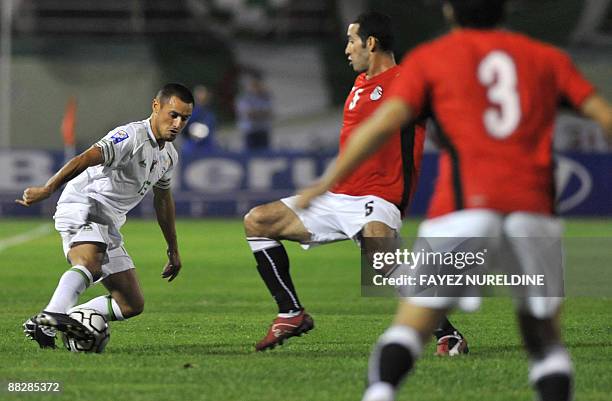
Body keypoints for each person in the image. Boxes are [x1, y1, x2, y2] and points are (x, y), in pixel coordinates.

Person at [296, 1, 612, 400]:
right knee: (545, 339)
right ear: (505, 11)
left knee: (411, 326)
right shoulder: (545, 58)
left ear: (449, 12)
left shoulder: (432, 59)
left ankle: (380, 392)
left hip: (462, 208)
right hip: (533, 208)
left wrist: (325, 183)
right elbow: (603, 114)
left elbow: (382, 125)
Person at [244, 12, 467, 354]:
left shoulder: (410, 81)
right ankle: (291, 312)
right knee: (258, 221)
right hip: (337, 198)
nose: (347, 49)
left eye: (351, 41)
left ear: (371, 43)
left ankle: (447, 334)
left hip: (379, 197)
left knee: (382, 258)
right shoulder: (361, 83)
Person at [17, 83, 193, 348]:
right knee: (91, 260)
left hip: (108, 223)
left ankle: (51, 324)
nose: (178, 123)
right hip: (83, 204)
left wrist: (173, 248)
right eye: (173, 114)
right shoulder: (130, 136)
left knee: (131, 303)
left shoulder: (169, 156)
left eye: (185, 118)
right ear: (156, 107)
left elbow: (163, 200)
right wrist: (49, 188)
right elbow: (87, 157)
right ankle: (55, 313)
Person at [235, 73, 273, 150]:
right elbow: (248, 113)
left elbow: (269, 112)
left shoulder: (266, 97)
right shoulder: (244, 98)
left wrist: (256, 113)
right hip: (250, 130)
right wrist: (261, 113)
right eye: (253, 85)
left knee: (265, 155)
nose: (256, 87)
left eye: (257, 84)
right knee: (250, 154)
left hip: (263, 129)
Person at [181, 85, 217, 159]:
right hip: (192, 145)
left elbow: (211, 129)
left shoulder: (209, 114)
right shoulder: (188, 112)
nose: (201, 96)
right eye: (199, 94)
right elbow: (183, 130)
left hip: (207, 146)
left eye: (203, 94)